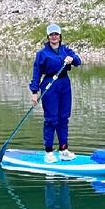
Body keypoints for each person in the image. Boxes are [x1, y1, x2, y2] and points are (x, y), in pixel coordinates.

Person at [29, 23, 81, 162]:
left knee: (64, 118)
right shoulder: (42, 54)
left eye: (56, 34)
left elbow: (78, 61)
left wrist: (72, 59)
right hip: (49, 85)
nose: (54, 37)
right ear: (48, 37)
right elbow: (36, 73)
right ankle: (49, 152)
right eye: (51, 35)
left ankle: (63, 149)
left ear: (60, 36)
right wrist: (35, 92)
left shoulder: (65, 50)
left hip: (64, 84)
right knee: (51, 119)